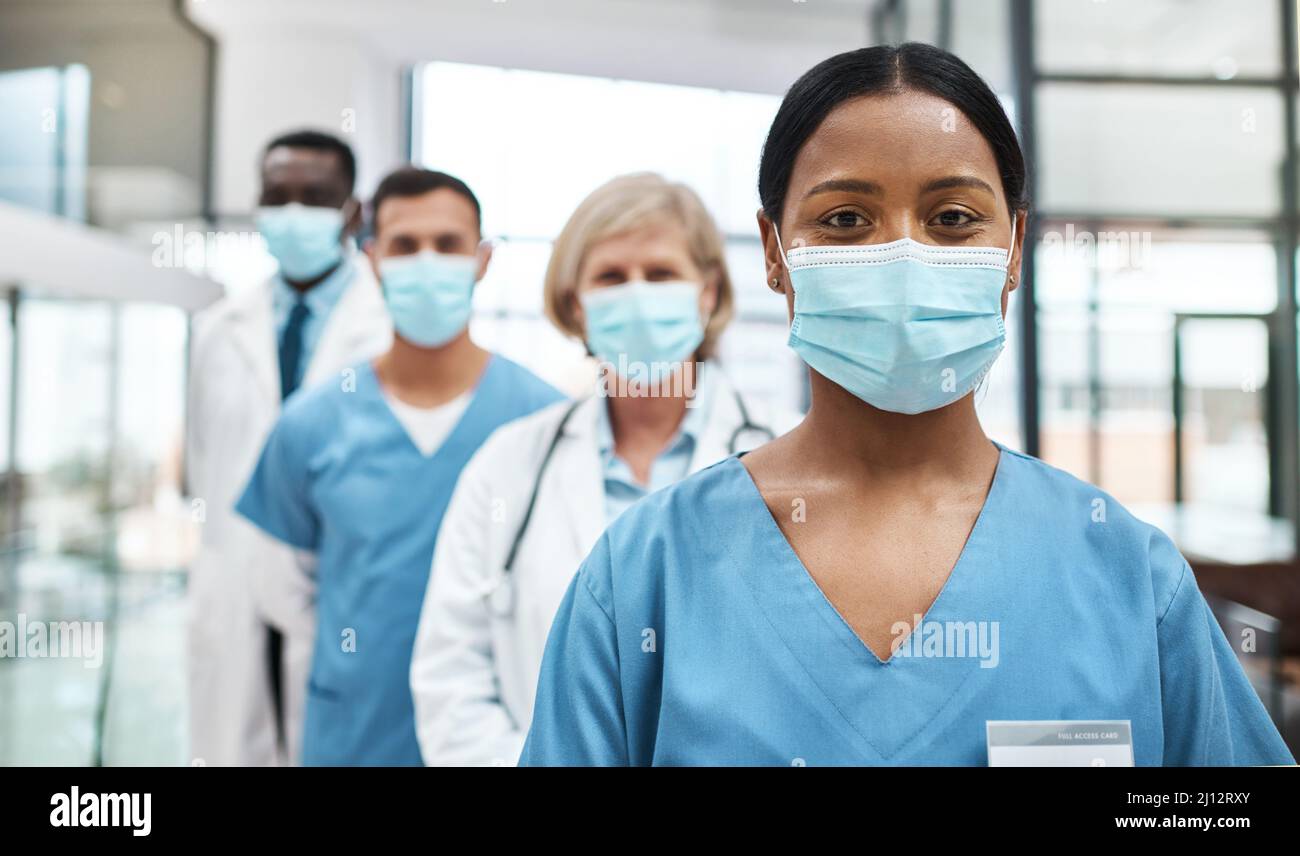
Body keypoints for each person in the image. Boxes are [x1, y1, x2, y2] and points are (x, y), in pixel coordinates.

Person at [518, 44, 1296, 766]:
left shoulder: (1126, 574)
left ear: (1014, 249)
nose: (904, 254)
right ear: (773, 254)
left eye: (953, 218)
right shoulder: (648, 575)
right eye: (846, 220)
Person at [409, 173, 801, 766]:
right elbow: (452, 681)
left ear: (709, 293)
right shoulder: (508, 467)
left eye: (662, 274)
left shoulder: (793, 454)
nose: (637, 294)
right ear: (575, 303)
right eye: (611, 277)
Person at [235, 166, 563, 765]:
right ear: (371, 257)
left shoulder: (545, 422)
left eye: (448, 244)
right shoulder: (309, 424)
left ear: (483, 259)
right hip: (354, 733)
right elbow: (283, 591)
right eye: (405, 246)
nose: (427, 261)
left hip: (499, 739)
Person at [187, 129, 391, 767]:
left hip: (341, 595)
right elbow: (204, 462)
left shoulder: (385, 327)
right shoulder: (219, 329)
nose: (294, 213)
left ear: (352, 212)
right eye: (278, 196)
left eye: (316, 196)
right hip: (234, 587)